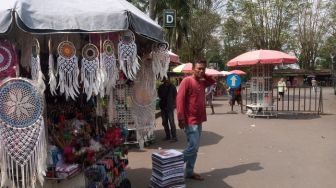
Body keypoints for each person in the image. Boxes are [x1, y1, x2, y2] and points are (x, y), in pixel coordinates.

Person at [176, 59, 215, 181]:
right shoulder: (187, 81)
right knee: (193, 146)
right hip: (190, 119)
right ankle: (172, 163)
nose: (201, 70)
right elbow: (180, 100)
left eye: (203, 68)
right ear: (193, 69)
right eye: (199, 68)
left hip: (199, 119)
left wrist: (204, 74)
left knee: (195, 147)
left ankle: (189, 172)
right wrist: (180, 118)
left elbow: (212, 81)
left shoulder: (202, 81)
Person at [158, 77, 178, 141]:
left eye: (167, 79)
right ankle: (168, 136)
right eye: (165, 79)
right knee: (164, 122)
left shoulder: (172, 87)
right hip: (163, 106)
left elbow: (175, 96)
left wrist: (173, 104)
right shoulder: (161, 87)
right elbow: (160, 95)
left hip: (170, 107)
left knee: (171, 122)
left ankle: (174, 137)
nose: (166, 80)